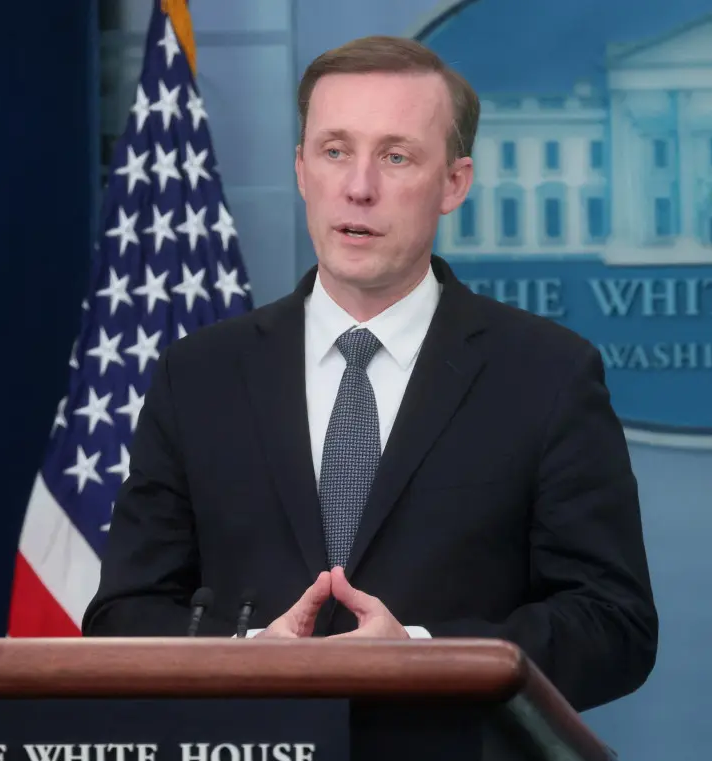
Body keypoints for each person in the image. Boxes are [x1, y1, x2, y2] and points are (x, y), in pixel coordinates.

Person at [82, 34, 658, 714]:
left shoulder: (547, 374)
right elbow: (122, 613)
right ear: (301, 170)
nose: (359, 187)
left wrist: (420, 654)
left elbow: (614, 624)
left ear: (454, 182)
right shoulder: (200, 374)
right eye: (335, 151)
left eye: (396, 156)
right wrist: (248, 653)